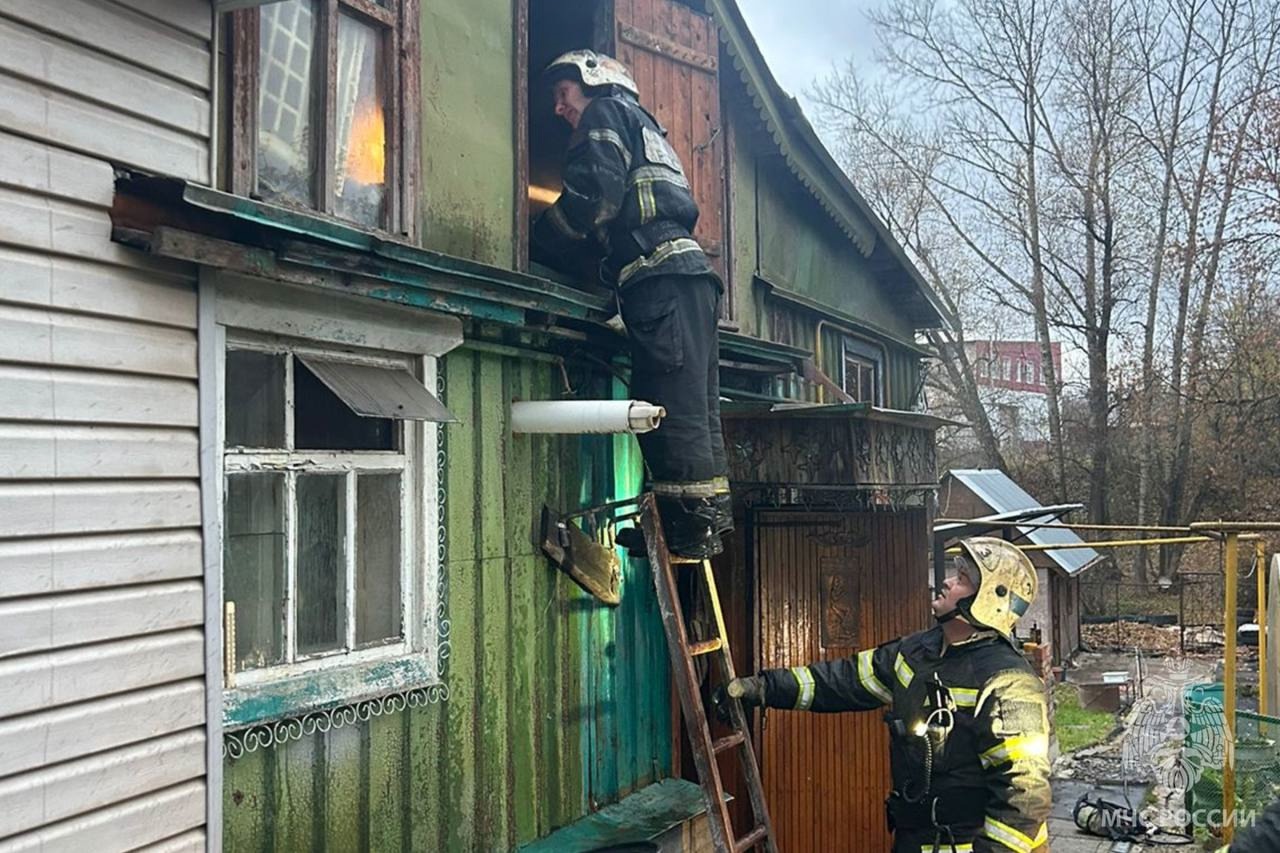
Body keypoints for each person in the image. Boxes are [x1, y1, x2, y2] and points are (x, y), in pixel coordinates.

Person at [718, 537, 1053, 852]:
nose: (948, 582)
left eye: (962, 579)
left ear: (987, 602)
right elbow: (841, 681)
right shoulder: (916, 652)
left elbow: (1024, 794)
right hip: (914, 837)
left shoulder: (1007, 681)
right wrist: (761, 688)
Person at [532, 49, 730, 559]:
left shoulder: (604, 115)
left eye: (563, 94)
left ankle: (682, 531)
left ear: (594, 81)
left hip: (658, 279)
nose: (558, 108)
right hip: (694, 280)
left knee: (666, 403)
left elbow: (594, 198)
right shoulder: (650, 132)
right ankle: (709, 522)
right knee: (699, 406)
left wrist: (535, 242)